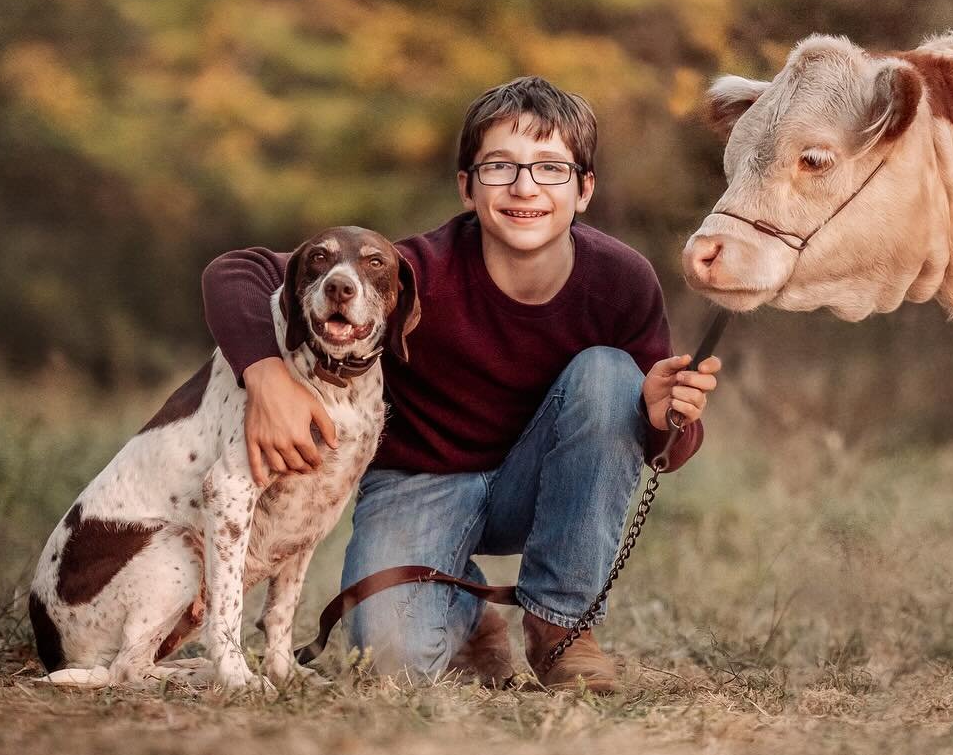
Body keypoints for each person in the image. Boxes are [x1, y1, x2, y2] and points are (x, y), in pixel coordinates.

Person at [201, 77, 720, 692]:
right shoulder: (409, 270)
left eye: (551, 169)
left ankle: (561, 627)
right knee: (392, 662)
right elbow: (239, 269)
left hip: (546, 481)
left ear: (584, 190)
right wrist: (265, 378)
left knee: (612, 375)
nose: (524, 187)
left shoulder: (622, 280)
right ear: (466, 187)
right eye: (499, 166)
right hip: (418, 483)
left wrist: (661, 417)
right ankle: (469, 619)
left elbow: (665, 450)